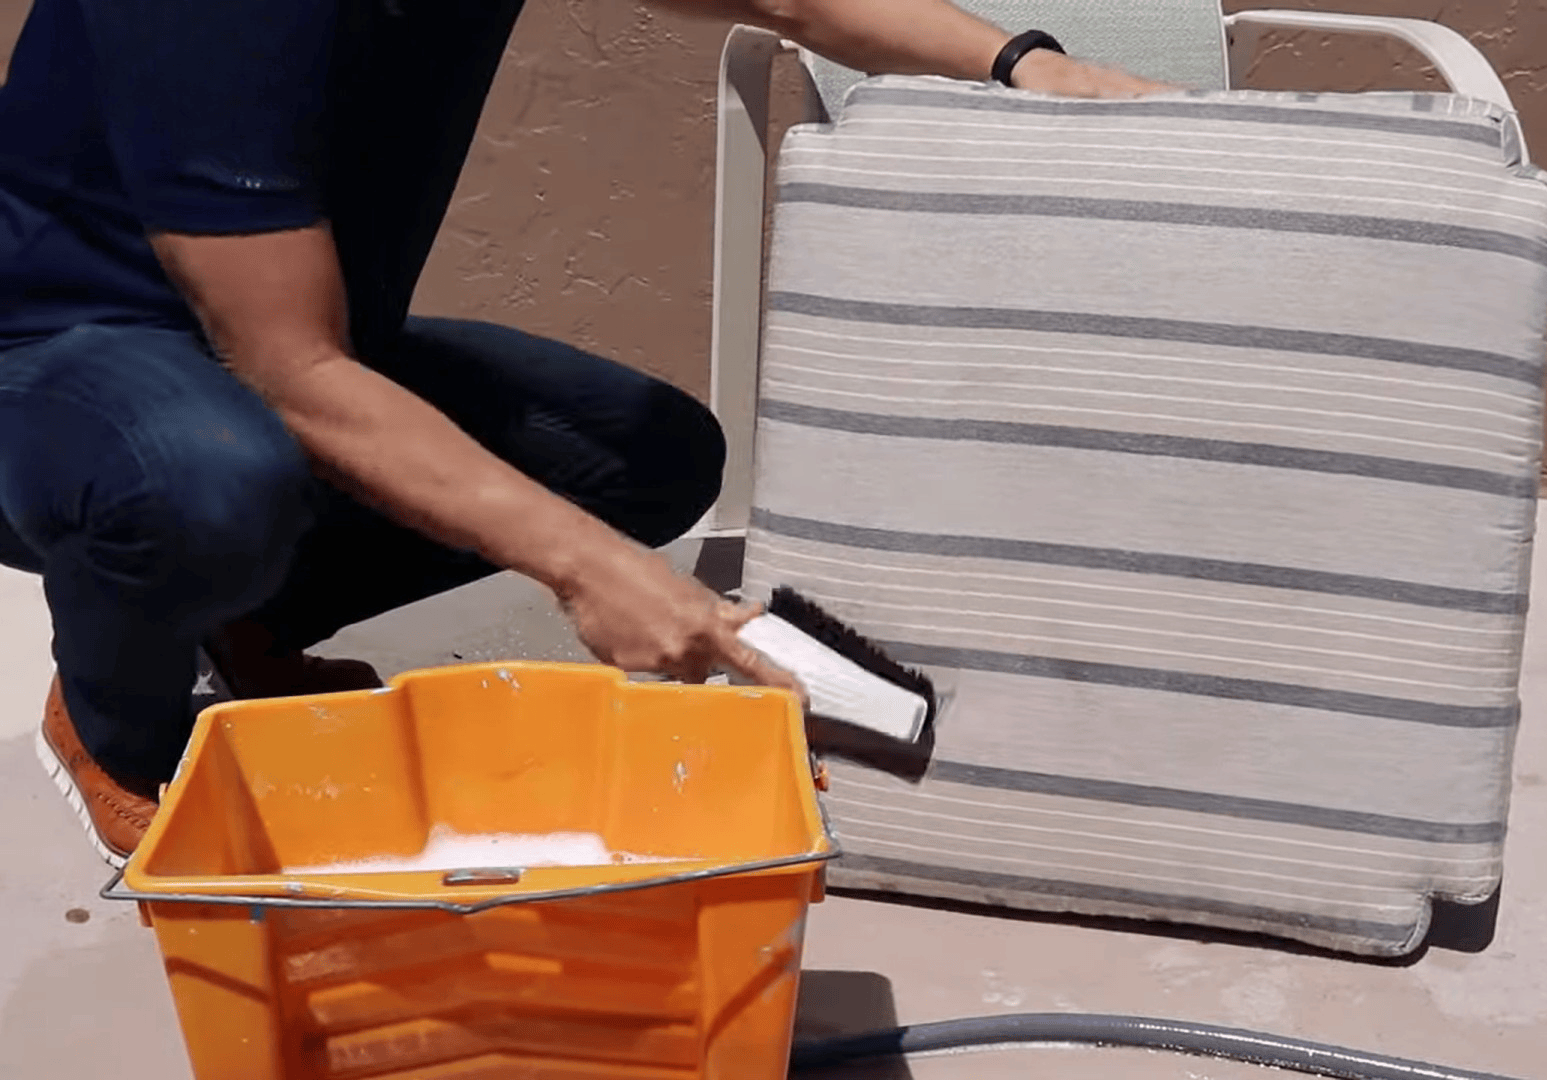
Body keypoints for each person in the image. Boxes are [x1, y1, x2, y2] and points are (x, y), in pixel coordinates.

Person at [0, 0, 1163, 866]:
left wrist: (1030, 67)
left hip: (283, 349)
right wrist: (587, 573)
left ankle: (232, 607)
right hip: (62, 361)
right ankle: (115, 719)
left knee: (647, 456)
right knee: (206, 483)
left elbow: (789, 2)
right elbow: (292, 370)